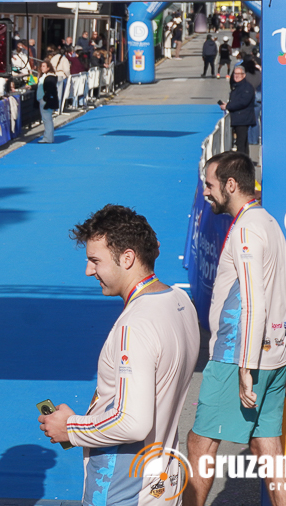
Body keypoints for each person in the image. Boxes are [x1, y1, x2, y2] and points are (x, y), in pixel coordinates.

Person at [37, 205, 198, 504]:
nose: (88, 271)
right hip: (163, 483)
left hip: (125, 489)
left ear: (127, 258)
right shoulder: (180, 300)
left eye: (95, 260)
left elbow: (132, 422)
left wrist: (70, 428)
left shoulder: (134, 326)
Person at [187, 152, 286, 506]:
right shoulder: (268, 221)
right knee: (268, 449)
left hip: (238, 357)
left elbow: (254, 301)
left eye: (210, 184)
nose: (205, 192)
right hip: (273, 354)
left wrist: (246, 366)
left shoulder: (246, 228)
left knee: (200, 444)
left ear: (230, 185)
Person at [220, 65, 255, 156]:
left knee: (241, 143)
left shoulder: (246, 87)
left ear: (244, 75)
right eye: (235, 74)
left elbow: (243, 102)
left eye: (239, 74)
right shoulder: (237, 86)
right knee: (242, 142)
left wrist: (228, 106)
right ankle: (245, 160)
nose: (236, 76)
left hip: (243, 118)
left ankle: (241, 161)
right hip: (238, 118)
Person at [34, 60, 57, 144]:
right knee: (47, 119)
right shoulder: (45, 76)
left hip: (45, 100)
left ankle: (48, 138)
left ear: (48, 67)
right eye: (41, 66)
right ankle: (49, 137)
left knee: (47, 119)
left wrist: (45, 98)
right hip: (43, 99)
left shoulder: (49, 77)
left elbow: (50, 89)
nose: (42, 68)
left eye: (44, 66)